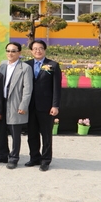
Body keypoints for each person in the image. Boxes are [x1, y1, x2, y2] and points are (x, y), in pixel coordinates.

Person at [0, 42, 33, 169]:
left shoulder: (25, 68)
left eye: (13, 51)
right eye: (8, 51)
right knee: (2, 130)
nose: (10, 53)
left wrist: (23, 105)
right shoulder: (3, 65)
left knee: (15, 132)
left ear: (19, 53)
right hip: (3, 102)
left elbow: (27, 89)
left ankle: (14, 157)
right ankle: (2, 154)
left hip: (16, 102)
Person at [25, 40, 61, 171]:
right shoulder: (26, 65)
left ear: (45, 50)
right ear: (31, 51)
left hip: (46, 106)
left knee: (46, 134)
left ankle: (45, 160)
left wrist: (55, 105)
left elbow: (57, 88)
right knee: (32, 133)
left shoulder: (53, 65)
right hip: (30, 106)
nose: (37, 51)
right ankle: (34, 157)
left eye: (40, 48)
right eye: (35, 49)